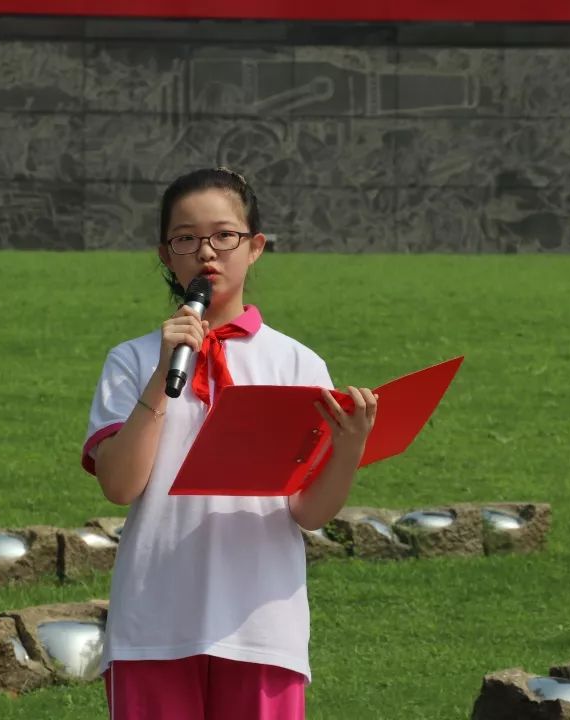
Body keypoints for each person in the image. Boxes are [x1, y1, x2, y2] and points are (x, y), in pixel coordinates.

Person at [81, 167, 377, 720]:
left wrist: (350, 449)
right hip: (154, 623)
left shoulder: (296, 364)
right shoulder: (131, 360)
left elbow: (308, 511)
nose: (206, 252)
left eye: (224, 235)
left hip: (261, 624)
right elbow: (119, 485)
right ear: (166, 254)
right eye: (186, 238)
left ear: (255, 246)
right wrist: (160, 376)